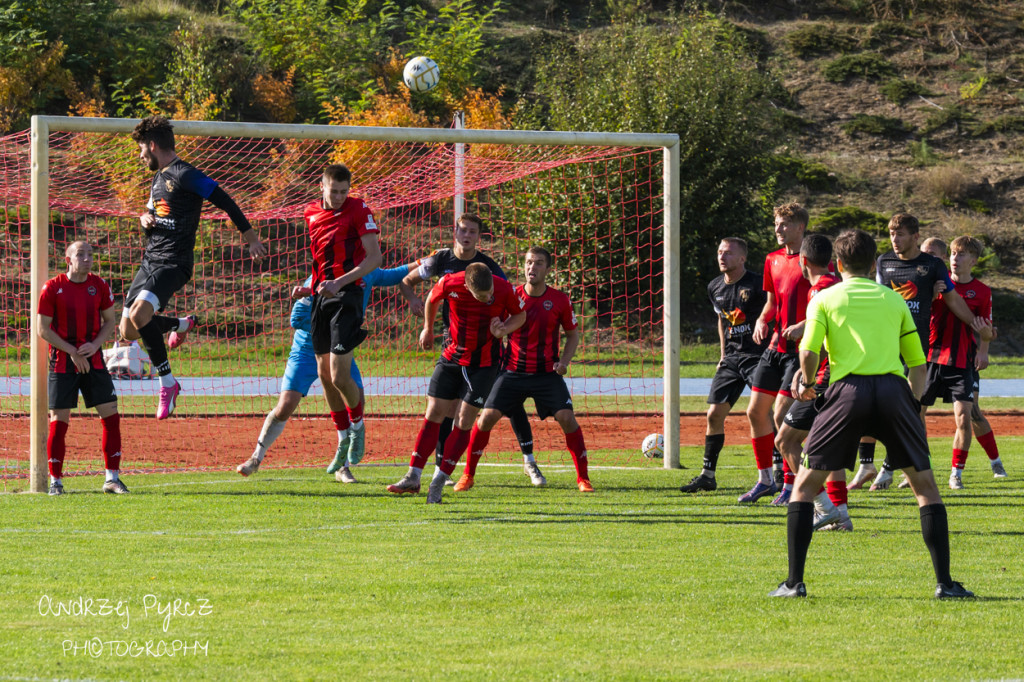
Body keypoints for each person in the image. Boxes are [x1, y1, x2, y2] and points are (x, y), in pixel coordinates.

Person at [768, 229, 973, 599]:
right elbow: (917, 363)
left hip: (846, 392)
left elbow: (809, 351)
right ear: (874, 262)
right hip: (894, 391)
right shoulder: (893, 301)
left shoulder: (826, 298)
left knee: (804, 486)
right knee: (925, 488)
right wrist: (912, 405)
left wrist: (809, 381)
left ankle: (793, 583)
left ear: (839, 264)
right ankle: (945, 584)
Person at [121, 115, 266, 420]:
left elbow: (225, 200)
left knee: (139, 315)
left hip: (175, 262)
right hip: (150, 260)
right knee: (128, 331)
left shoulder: (185, 174)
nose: (140, 156)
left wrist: (250, 238)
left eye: (140, 150)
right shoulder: (157, 179)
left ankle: (168, 384)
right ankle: (180, 324)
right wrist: (143, 220)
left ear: (152, 145)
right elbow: (153, 217)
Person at [235, 262, 418, 482]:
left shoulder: (367, 272)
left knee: (357, 399)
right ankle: (256, 458)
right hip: (306, 350)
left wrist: (423, 261)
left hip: (339, 350)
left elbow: (394, 275)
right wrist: (327, 323)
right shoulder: (322, 277)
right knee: (285, 406)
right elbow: (296, 318)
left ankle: (344, 466)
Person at [850, 214, 991, 491]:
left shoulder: (932, 265)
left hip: (916, 352)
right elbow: (876, 298)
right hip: (883, 346)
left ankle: (896, 469)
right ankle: (867, 464)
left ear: (915, 237)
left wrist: (978, 330)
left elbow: (953, 301)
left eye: (900, 234)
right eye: (892, 234)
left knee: (907, 412)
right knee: (868, 404)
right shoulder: (883, 262)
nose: (895, 239)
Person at [403, 214, 542, 485]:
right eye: (463, 230)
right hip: (451, 342)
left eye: (472, 232)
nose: (466, 235)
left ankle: (445, 471)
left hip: (485, 348)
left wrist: (503, 326)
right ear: (455, 232)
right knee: (441, 409)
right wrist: (421, 316)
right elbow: (409, 282)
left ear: (478, 236)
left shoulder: (490, 269)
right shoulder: (440, 261)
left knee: (476, 410)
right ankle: (432, 471)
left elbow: (508, 299)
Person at [453, 247, 592, 493]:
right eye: (529, 262)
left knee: (567, 418)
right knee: (486, 418)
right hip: (511, 372)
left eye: (538, 263)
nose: (532, 268)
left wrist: (564, 363)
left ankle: (583, 479)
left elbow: (572, 335)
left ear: (548, 270)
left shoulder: (559, 300)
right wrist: (497, 331)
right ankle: (468, 475)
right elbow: (494, 326)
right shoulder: (511, 295)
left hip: (546, 374)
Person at [387, 263, 525, 503]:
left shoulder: (503, 288)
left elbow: (520, 315)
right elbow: (431, 298)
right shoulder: (450, 282)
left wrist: (504, 329)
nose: (489, 297)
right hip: (451, 358)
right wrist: (427, 329)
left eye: (490, 292)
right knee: (433, 414)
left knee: (463, 420)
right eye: (483, 296)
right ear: (468, 288)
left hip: (483, 365)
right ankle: (413, 476)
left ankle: (438, 482)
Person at [306, 164, 382, 473]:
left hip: (347, 295)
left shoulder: (359, 209)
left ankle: (359, 426)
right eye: (333, 191)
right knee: (324, 376)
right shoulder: (310, 212)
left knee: (339, 374)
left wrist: (340, 283)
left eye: (343, 191)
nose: (338, 197)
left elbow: (375, 258)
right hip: (320, 297)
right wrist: (308, 285)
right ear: (321, 187)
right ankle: (342, 439)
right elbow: (321, 260)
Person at [772, 234, 850, 530]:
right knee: (830, 450)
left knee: (785, 440)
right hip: (845, 377)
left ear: (803, 261)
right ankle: (841, 516)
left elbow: (814, 342)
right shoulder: (840, 286)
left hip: (824, 379)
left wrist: (806, 379)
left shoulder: (819, 291)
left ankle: (823, 507)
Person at [37, 241, 128, 495]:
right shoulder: (52, 288)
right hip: (63, 362)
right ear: (69, 259)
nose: (87, 258)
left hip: (94, 360)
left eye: (90, 254)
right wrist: (71, 351)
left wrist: (96, 344)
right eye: (81, 254)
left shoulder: (99, 285)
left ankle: (112, 478)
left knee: (110, 414)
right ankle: (56, 482)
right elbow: (42, 328)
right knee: (59, 420)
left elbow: (110, 321)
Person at [681, 237, 766, 493]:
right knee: (714, 414)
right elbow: (722, 320)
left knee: (764, 414)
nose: (721, 257)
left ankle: (779, 472)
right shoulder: (714, 286)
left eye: (728, 253)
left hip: (758, 357)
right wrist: (722, 353)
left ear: (742, 258)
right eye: (719, 252)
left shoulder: (758, 284)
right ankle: (708, 475)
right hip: (731, 358)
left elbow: (772, 311)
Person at [919, 237, 1007, 481]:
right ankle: (912, 467)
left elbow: (985, 327)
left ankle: (993, 463)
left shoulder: (982, 291)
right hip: (931, 359)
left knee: (971, 414)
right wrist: (930, 295)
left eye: (962, 255)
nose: (955, 259)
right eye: (954, 254)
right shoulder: (937, 282)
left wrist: (984, 350)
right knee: (915, 412)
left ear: (974, 261)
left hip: (963, 360)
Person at [742, 203, 811, 503]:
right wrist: (761, 319)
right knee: (755, 412)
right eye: (777, 223)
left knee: (782, 414)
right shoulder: (772, 259)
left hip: (801, 351)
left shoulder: (815, 261)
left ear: (800, 227)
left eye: (784, 224)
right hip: (775, 348)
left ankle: (790, 484)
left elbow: (830, 304)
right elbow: (771, 303)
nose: (778, 229)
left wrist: (803, 325)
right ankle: (765, 480)